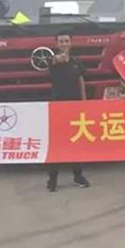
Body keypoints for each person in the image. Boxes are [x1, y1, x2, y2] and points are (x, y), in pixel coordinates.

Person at [46, 31, 90, 192]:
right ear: (56, 44)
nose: (64, 44)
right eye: (61, 41)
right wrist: (60, 57)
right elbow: (58, 60)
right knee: (56, 144)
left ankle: (78, 176)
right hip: (58, 107)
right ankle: (52, 179)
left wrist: (84, 102)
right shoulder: (52, 60)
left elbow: (81, 81)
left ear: (71, 43)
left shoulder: (77, 61)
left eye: (66, 41)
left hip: (75, 107)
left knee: (75, 143)